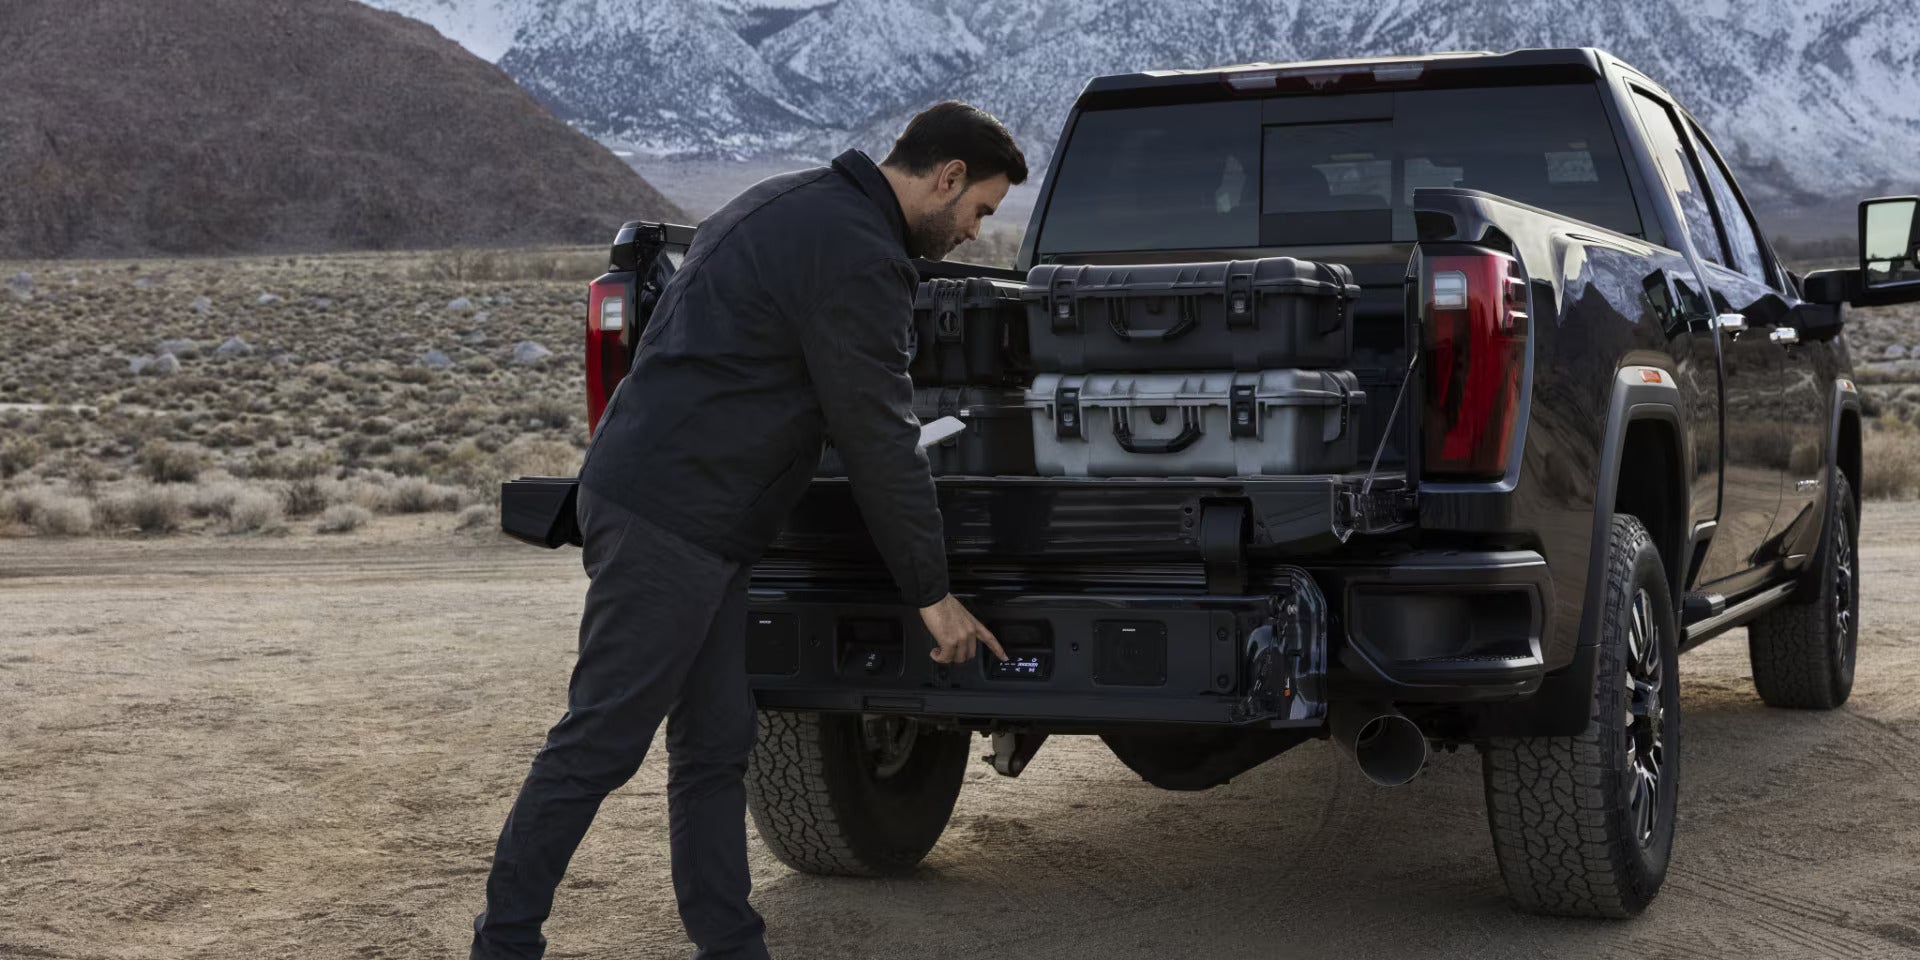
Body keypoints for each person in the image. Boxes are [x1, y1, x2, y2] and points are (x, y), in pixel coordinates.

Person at [471, 101, 1028, 960]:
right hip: (673, 515)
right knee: (601, 741)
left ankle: (730, 945)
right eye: (979, 211)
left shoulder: (787, 199)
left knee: (716, 743)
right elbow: (879, 438)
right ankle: (503, 946)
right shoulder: (858, 254)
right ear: (946, 177)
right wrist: (933, 595)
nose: (974, 233)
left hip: (701, 516)